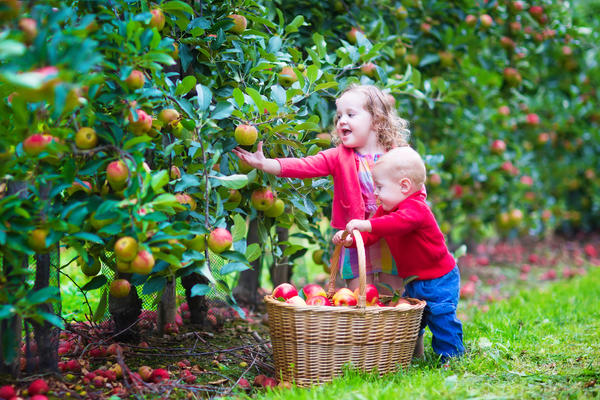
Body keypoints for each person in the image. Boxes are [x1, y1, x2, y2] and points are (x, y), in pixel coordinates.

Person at [233, 84, 412, 294]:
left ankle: (392, 328)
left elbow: (416, 189)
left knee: (391, 294)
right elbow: (304, 165)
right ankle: (361, 328)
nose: (341, 120)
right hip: (355, 237)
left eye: (350, 114)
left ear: (376, 119)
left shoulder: (398, 155)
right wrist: (266, 164)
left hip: (390, 234)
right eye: (339, 116)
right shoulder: (339, 156)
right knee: (359, 296)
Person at [332, 146, 464, 361]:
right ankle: (409, 355)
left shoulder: (417, 209)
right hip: (414, 280)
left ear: (404, 186)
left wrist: (365, 225)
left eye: (380, 187)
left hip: (439, 279)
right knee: (413, 319)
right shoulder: (387, 208)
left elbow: (396, 224)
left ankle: (451, 357)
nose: (375, 193)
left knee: (441, 317)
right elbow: (374, 233)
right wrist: (351, 241)